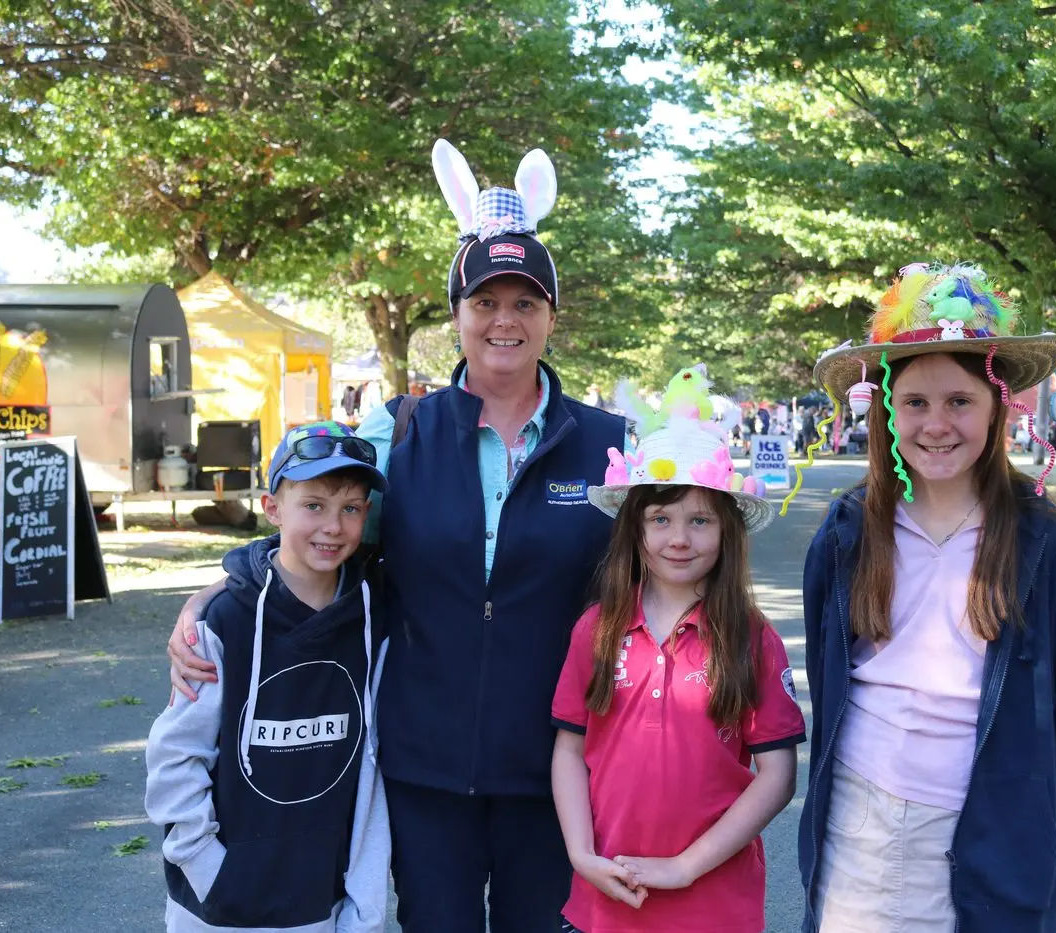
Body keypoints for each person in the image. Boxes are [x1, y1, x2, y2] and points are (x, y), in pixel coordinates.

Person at [166, 140, 629, 932]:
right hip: (422, 765)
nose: (504, 321)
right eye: (484, 302)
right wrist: (225, 581)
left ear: (552, 315)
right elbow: (318, 518)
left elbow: (672, 561)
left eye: (524, 302)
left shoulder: (610, 442)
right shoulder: (400, 427)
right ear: (456, 315)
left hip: (562, 763)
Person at [798, 262, 1056, 933]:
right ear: (885, 409)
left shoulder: (1042, 537)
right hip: (865, 821)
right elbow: (827, 678)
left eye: (958, 401)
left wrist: (1042, 844)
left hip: (998, 823)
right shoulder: (847, 530)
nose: (935, 423)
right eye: (914, 402)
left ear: (997, 404)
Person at [552, 378, 805, 933]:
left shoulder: (751, 637)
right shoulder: (595, 630)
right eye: (660, 519)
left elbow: (777, 774)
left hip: (713, 905)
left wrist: (685, 867)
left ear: (727, 530)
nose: (679, 538)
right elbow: (570, 750)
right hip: (604, 894)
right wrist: (579, 853)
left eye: (700, 520)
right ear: (634, 529)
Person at [145, 420, 391, 932]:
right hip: (217, 908)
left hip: (320, 903)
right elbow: (176, 756)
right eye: (313, 505)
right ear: (272, 507)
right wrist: (209, 870)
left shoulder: (376, 616)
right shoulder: (224, 621)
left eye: (350, 508)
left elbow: (372, 766)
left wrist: (362, 898)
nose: (333, 525)